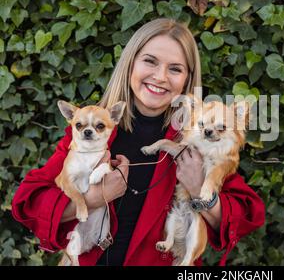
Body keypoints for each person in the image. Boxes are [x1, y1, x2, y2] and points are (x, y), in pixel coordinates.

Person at [11, 18, 265, 266]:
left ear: (187, 79)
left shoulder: (195, 142)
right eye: (150, 61)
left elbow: (246, 216)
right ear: (130, 64)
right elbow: (29, 203)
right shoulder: (95, 129)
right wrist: (94, 197)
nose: (161, 76)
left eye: (175, 69)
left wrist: (201, 190)